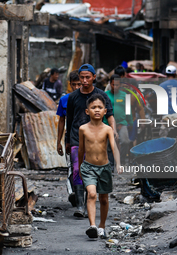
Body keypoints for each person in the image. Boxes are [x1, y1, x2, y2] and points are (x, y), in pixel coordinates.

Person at [66, 64, 117, 218]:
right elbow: (69, 119)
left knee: (95, 169)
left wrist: (113, 131)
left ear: (94, 77)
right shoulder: (73, 97)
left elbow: (110, 116)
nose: (84, 80)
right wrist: (67, 140)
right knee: (77, 170)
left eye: (88, 77)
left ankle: (92, 201)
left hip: (97, 139)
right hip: (76, 138)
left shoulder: (101, 95)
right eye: (82, 77)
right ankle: (80, 206)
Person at [78, 94, 121, 239]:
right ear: (87, 111)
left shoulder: (108, 129)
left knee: (103, 198)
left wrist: (119, 164)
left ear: (105, 111)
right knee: (91, 194)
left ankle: (102, 226)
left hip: (104, 168)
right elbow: (81, 150)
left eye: (100, 107)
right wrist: (78, 167)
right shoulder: (83, 129)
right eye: (93, 107)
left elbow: (114, 147)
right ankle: (92, 226)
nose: (97, 110)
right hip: (88, 167)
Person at [56, 70, 81, 207]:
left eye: (79, 84)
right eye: (74, 85)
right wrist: (59, 141)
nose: (77, 87)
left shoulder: (88, 99)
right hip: (70, 138)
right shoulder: (65, 100)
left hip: (87, 138)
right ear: (70, 85)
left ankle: (83, 193)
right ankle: (74, 192)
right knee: (72, 166)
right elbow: (61, 121)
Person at [105, 74, 133, 164]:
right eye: (113, 85)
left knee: (125, 141)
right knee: (108, 144)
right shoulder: (105, 95)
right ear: (110, 84)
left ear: (120, 85)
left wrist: (131, 122)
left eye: (117, 85)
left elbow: (128, 111)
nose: (115, 87)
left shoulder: (125, 95)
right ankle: (110, 162)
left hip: (122, 123)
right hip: (108, 124)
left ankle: (120, 160)